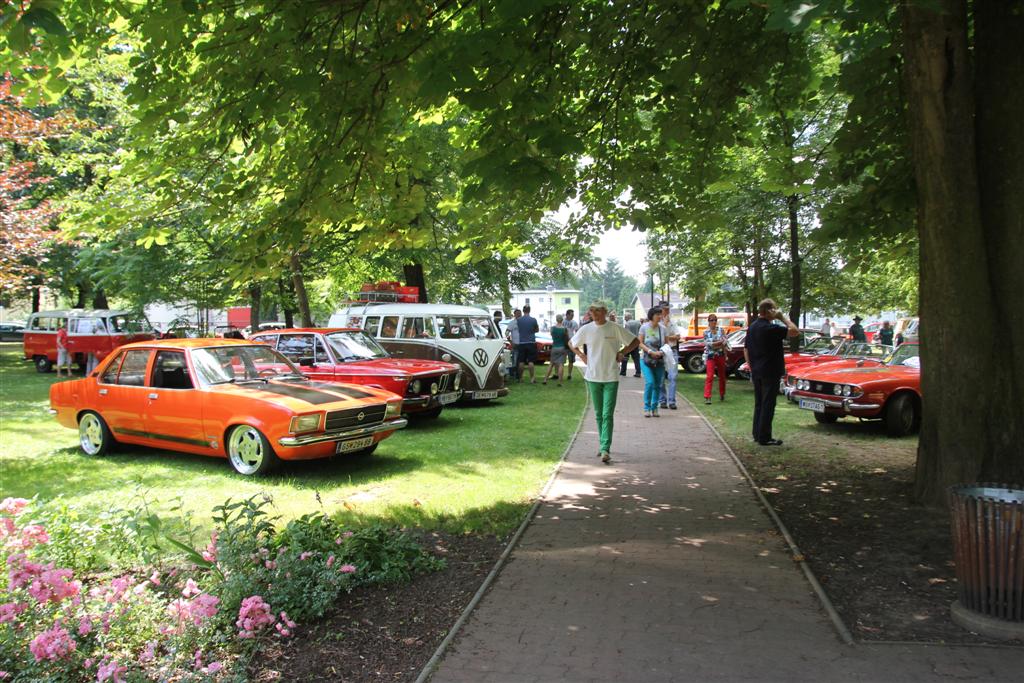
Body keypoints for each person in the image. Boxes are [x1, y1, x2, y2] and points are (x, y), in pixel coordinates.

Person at [569, 302, 639, 463]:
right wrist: (581, 355)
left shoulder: (614, 328)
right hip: (593, 377)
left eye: (598, 311)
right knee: (599, 414)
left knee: (608, 414)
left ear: (604, 312)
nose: (594, 313)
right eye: (592, 311)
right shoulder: (586, 329)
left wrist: (622, 352)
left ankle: (605, 448)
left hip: (611, 377)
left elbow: (634, 342)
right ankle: (603, 445)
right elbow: (571, 343)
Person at [744, 299, 800, 446]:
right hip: (770, 371)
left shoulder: (753, 327)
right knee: (768, 404)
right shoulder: (771, 328)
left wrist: (751, 366)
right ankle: (764, 437)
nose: (776, 311)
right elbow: (794, 331)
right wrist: (782, 318)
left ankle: (757, 433)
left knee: (759, 403)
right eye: (774, 309)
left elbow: (746, 349)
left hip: (757, 370)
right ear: (769, 311)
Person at [638, 306, 667, 418]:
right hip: (646, 359)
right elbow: (639, 343)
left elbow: (667, 343)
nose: (660, 316)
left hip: (659, 361)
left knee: (658, 384)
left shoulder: (663, 329)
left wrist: (662, 352)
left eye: (661, 314)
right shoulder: (644, 327)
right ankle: (647, 407)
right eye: (657, 314)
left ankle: (654, 408)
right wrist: (650, 351)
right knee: (650, 382)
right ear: (651, 315)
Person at [658, 302, 680, 410]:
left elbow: (678, 336)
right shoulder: (657, 323)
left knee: (673, 377)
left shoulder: (673, 321)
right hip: (662, 352)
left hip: (673, 351)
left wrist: (669, 336)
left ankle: (672, 401)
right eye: (665, 309)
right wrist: (665, 326)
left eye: (668, 309)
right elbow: (660, 338)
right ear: (660, 310)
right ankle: (662, 400)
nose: (667, 312)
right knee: (661, 378)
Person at [703, 313, 729, 404]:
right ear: (708, 322)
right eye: (711, 320)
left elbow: (725, 342)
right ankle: (707, 397)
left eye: (715, 320)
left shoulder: (721, 330)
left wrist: (718, 344)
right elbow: (708, 344)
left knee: (722, 376)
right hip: (711, 356)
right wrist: (719, 343)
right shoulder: (706, 332)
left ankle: (722, 393)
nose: (714, 322)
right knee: (709, 376)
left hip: (721, 355)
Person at [543, 314, 569, 385]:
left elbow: (552, 335)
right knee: (561, 365)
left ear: (556, 320)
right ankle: (560, 382)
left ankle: (545, 379)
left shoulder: (552, 328)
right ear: (562, 320)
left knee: (551, 364)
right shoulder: (565, 329)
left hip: (554, 347)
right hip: (562, 347)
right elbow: (567, 338)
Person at [517, 304, 540, 383]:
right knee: (531, 361)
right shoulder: (533, 320)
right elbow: (537, 330)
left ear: (523, 311)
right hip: (531, 342)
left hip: (522, 342)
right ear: (529, 310)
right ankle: (532, 378)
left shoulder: (519, 320)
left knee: (521, 361)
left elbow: (518, 330)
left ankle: (520, 378)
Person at [562, 309, 580, 380]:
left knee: (571, 360)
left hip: (572, 343)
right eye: (571, 315)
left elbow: (577, 333)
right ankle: (560, 374)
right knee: (561, 360)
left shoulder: (574, 323)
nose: (572, 316)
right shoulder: (562, 322)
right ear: (567, 315)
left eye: (573, 315)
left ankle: (569, 374)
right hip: (563, 343)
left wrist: (576, 342)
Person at [505, 309, 522, 381]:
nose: (519, 315)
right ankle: (514, 375)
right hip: (515, 344)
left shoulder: (523, 322)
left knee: (521, 361)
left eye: (520, 313)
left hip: (523, 344)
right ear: (514, 314)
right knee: (515, 360)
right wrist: (511, 342)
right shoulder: (512, 323)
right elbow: (506, 333)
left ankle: (519, 375)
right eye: (517, 313)